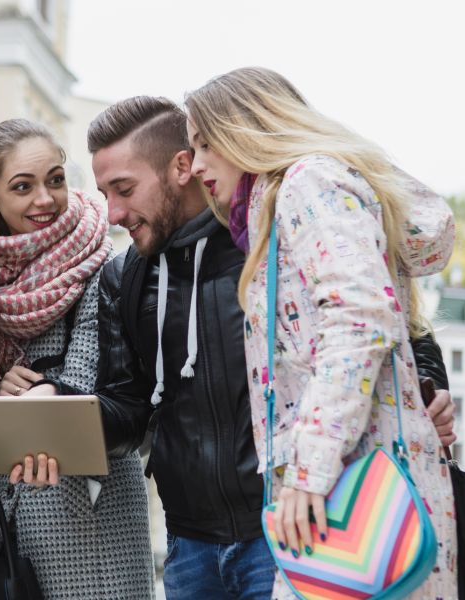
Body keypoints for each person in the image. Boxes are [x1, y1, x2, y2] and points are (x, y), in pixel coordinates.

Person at [184, 66, 458, 598]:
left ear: (248, 129)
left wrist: (308, 471)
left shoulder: (307, 183)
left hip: (358, 496)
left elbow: (360, 317)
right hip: (356, 486)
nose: (195, 165)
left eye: (205, 143)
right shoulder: (280, 203)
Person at [87, 96, 276, 599]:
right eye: (105, 194)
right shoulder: (122, 277)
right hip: (189, 548)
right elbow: (127, 409)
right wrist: (56, 414)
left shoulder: (267, 241)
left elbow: (382, 318)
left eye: (125, 189)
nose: (114, 213)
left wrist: (429, 376)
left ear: (182, 166)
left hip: (283, 535)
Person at [0, 118, 155, 599]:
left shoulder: (101, 268)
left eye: (55, 179)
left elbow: (89, 393)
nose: (45, 199)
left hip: (91, 529)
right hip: (0, 530)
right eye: (22, 187)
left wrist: (31, 398)